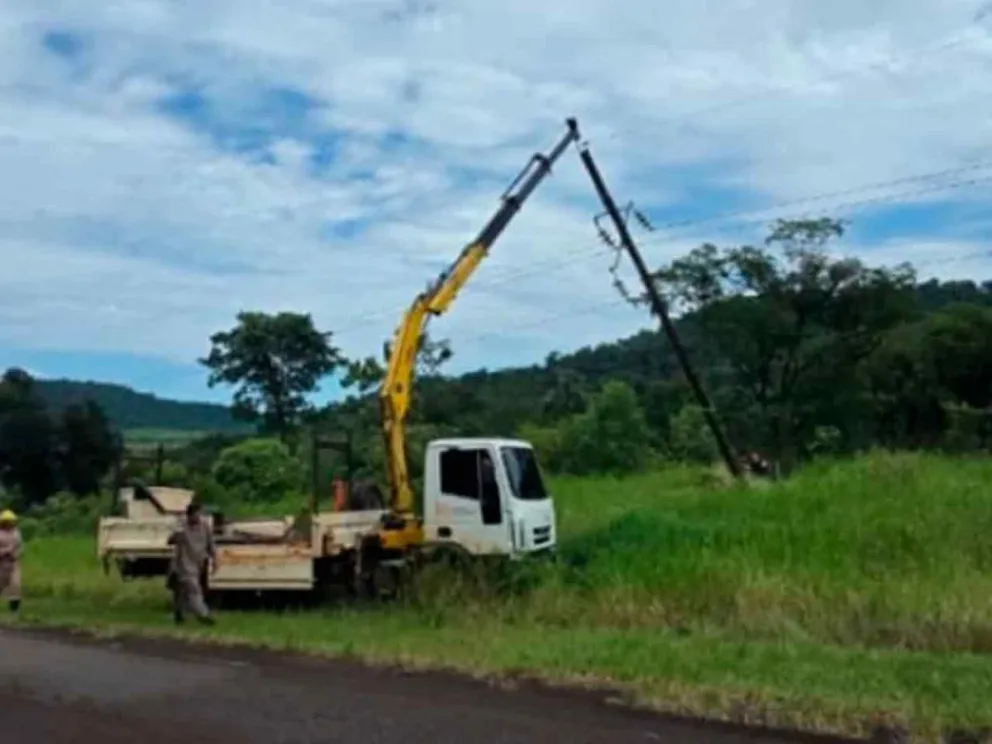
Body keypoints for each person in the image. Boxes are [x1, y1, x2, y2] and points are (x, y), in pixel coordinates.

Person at [167, 502, 218, 626]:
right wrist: (176, 535)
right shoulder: (182, 528)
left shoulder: (205, 526)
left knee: (181, 591)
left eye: (200, 514)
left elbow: (211, 543)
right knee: (194, 589)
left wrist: (215, 558)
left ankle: (178, 613)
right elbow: (170, 541)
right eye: (196, 514)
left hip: (198, 562)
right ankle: (203, 615)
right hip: (183, 563)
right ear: (189, 515)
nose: (199, 517)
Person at [0, 509, 22, 614]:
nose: (10, 523)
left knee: (15, 585)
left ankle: (14, 610)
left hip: (13, 563)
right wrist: (6, 550)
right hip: (2, 563)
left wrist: (17, 552)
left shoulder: (16, 533)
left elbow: (19, 546)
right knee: (1, 585)